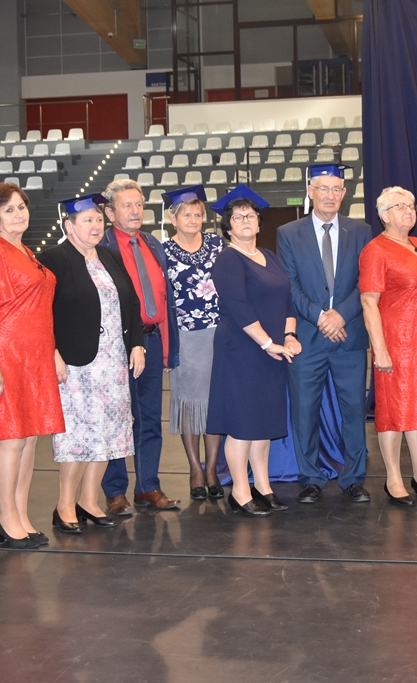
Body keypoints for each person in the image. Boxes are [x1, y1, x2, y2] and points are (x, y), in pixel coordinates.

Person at [39, 194, 146, 534]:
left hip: (113, 362)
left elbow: (131, 302)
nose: (96, 226)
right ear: (68, 226)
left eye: (99, 219)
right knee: (78, 436)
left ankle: (88, 501)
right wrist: (52, 352)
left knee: (108, 433)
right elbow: (41, 312)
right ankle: (64, 505)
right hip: (77, 364)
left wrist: (137, 344)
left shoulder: (110, 256)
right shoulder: (53, 259)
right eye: (87, 220)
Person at [0, 183, 65, 549]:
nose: (18, 214)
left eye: (21, 207)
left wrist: (52, 351)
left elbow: (38, 310)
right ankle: (6, 518)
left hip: (34, 357)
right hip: (7, 355)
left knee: (27, 439)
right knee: (11, 440)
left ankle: (20, 515)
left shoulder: (24, 251)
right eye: (9, 209)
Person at [276, 164, 372, 505]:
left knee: (354, 411)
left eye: (336, 189)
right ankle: (310, 478)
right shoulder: (289, 233)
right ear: (310, 191)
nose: (330, 195)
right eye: (323, 188)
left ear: (344, 193)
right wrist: (320, 317)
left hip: (349, 336)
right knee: (305, 411)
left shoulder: (361, 231)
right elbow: (290, 285)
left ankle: (354, 478)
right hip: (307, 338)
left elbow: (366, 281)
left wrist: (341, 315)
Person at [206, 185, 301, 516]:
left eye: (250, 215)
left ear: (260, 222)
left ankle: (263, 486)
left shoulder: (269, 256)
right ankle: (240, 491)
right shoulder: (228, 260)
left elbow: (287, 301)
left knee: (263, 423)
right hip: (242, 351)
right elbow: (240, 307)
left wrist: (289, 336)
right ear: (228, 227)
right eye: (238, 217)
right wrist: (267, 343)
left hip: (273, 351)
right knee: (243, 424)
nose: (245, 220)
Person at [360, 186, 417, 506]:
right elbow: (369, 303)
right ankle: (393, 478)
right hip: (396, 344)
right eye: (400, 207)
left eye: (412, 206)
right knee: (393, 412)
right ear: (384, 215)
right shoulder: (376, 250)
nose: (409, 211)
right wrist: (380, 349)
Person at [99, 178, 181, 514]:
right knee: (117, 418)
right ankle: (115, 491)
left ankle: (148, 486)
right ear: (109, 212)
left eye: (139, 204)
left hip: (152, 339)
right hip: (116, 345)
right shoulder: (101, 247)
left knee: (149, 418)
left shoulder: (152, 243)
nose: (135, 211)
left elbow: (164, 297)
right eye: (127, 205)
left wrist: (167, 346)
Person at [162, 185, 225, 501]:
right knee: (189, 404)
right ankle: (194, 469)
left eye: (198, 214)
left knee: (215, 403)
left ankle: (211, 468)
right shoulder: (163, 252)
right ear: (173, 219)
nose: (193, 219)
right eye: (186, 214)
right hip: (184, 337)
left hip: (219, 334)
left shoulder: (217, 244)